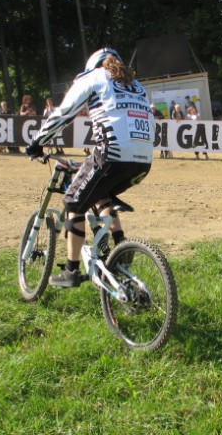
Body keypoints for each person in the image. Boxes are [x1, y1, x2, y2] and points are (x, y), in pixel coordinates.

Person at [25, 48, 153, 288]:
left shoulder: (92, 77)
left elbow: (64, 113)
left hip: (112, 153)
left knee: (74, 200)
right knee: (100, 191)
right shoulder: (135, 84)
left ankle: (71, 271)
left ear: (93, 65)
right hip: (144, 161)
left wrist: (37, 143)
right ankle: (120, 247)